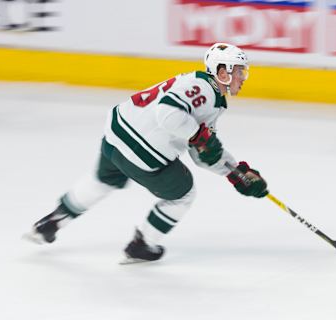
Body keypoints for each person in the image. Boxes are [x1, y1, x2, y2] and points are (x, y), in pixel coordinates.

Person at [24, 43, 268, 263]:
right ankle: (142, 244)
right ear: (222, 72)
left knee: (102, 181)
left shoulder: (204, 92)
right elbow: (168, 114)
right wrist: (198, 136)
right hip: (143, 151)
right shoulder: (203, 88)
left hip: (115, 138)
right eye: (239, 71)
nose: (242, 77)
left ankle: (52, 222)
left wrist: (235, 172)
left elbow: (201, 151)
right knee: (183, 194)